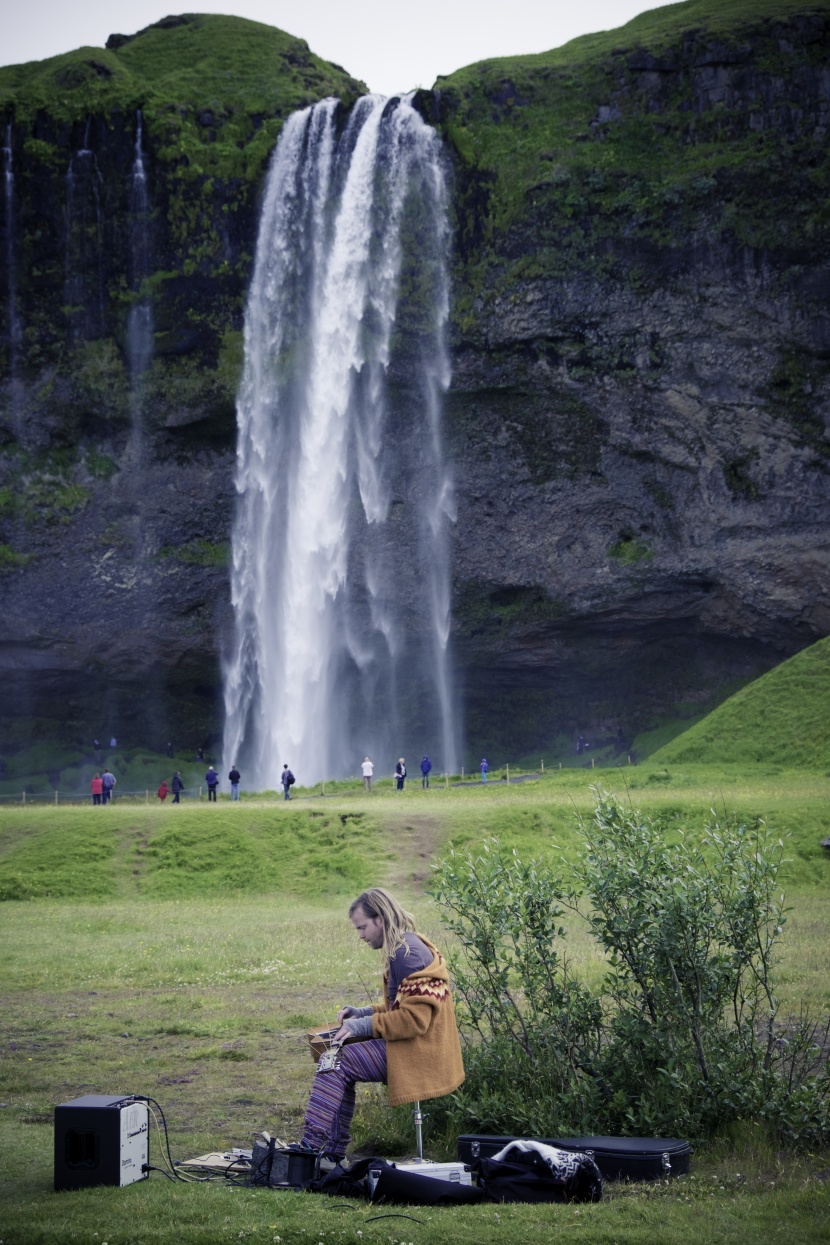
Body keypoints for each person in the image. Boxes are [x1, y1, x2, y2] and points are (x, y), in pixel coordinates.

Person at [299, 888, 464, 1159]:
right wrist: (361, 1013)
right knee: (336, 1060)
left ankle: (313, 1151)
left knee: (336, 1061)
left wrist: (359, 1027)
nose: (361, 935)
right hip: (414, 1047)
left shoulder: (407, 955)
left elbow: (413, 1021)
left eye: (363, 927)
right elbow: (399, 1007)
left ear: (382, 919)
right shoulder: (403, 946)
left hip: (420, 1054)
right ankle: (328, 1153)